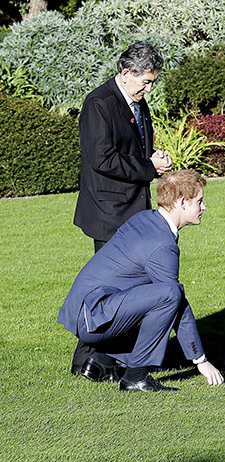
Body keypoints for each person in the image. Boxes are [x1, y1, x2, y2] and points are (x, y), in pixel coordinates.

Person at [58, 170, 225, 392]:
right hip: (93, 318)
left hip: (83, 310)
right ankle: (135, 377)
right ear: (182, 202)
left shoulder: (145, 218)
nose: (204, 207)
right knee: (170, 295)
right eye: (200, 202)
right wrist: (200, 360)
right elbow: (177, 303)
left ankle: (102, 361)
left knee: (156, 292)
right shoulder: (162, 245)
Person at [71, 41, 173, 376]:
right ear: (126, 73)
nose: (149, 87)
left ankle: (105, 360)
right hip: (108, 212)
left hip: (132, 208)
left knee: (127, 289)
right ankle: (88, 362)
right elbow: (102, 159)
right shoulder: (99, 104)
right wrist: (148, 169)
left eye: (152, 81)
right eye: (145, 81)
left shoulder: (136, 102)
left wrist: (153, 159)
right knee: (108, 291)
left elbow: (138, 146)